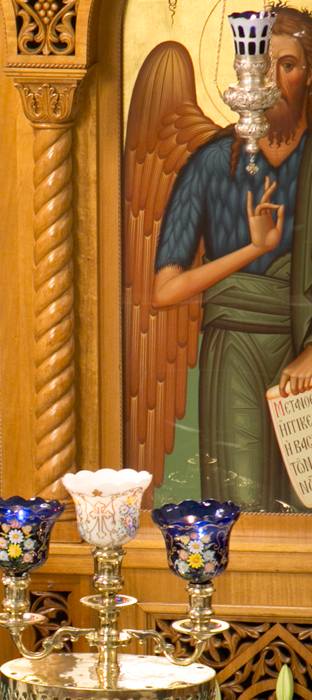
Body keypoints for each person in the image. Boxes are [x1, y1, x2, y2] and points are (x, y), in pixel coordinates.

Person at [148, 7, 312, 510]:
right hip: (234, 353)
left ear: (310, 74)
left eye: (288, 65)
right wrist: (253, 249)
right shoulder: (212, 164)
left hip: (303, 356)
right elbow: (165, 289)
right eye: (261, 65)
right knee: (239, 510)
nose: (273, 80)